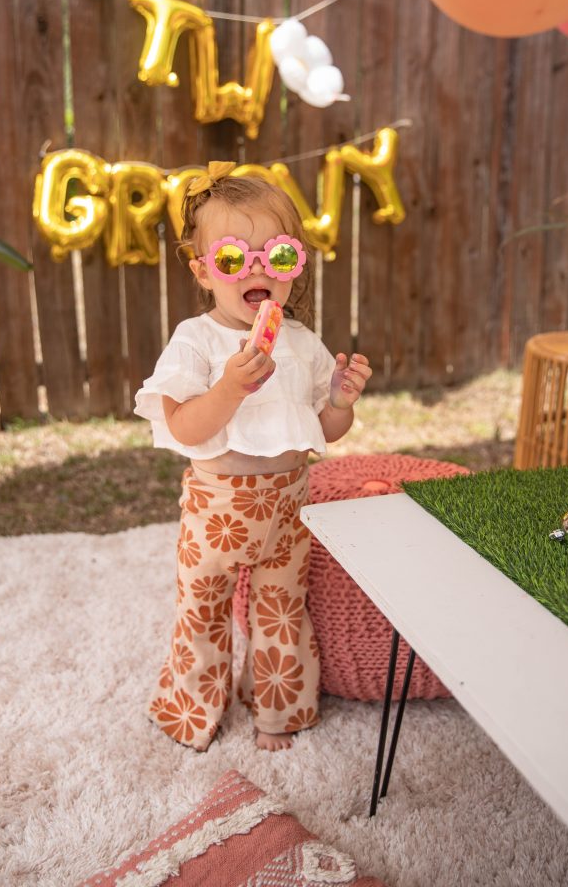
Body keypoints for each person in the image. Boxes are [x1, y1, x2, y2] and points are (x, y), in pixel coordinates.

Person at [134, 161, 372, 751]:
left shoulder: (303, 344)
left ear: (296, 266)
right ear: (203, 271)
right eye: (234, 259)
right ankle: (190, 710)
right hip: (216, 508)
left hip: (288, 506)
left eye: (278, 256)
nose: (257, 269)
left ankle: (278, 714)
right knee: (201, 614)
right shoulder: (197, 341)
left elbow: (325, 430)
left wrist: (341, 401)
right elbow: (186, 428)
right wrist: (229, 388)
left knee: (283, 615)